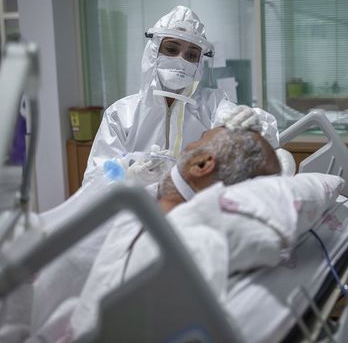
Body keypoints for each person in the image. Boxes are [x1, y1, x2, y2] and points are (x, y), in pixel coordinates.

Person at [65, 127, 281, 340]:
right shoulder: (141, 211)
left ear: (202, 165)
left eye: (198, 139)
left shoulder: (184, 246)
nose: (187, 147)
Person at [83, 5, 278, 184]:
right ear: (153, 51)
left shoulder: (212, 104)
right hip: (137, 208)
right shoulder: (121, 114)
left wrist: (254, 124)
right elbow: (93, 182)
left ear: (199, 63)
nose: (181, 60)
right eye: (171, 49)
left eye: (191, 55)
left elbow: (259, 137)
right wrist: (130, 176)